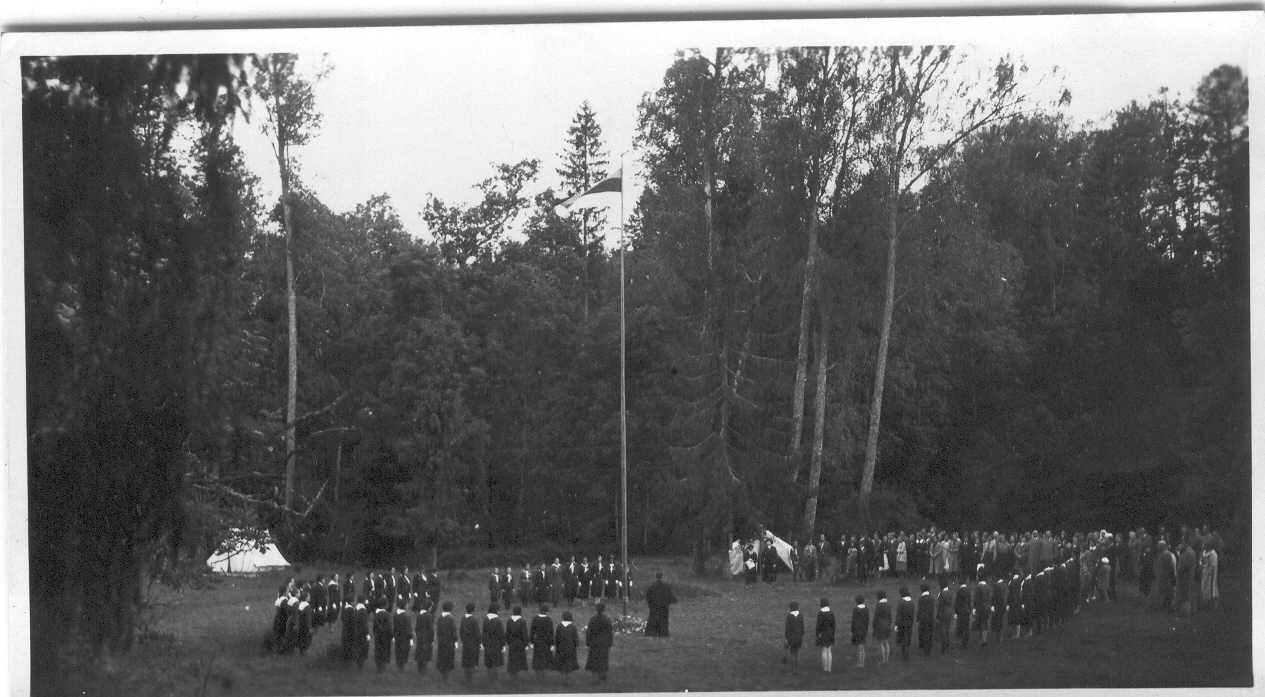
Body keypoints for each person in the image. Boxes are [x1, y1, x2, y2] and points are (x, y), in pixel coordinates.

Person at [585, 602, 614, 682]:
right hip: (604, 643)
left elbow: (589, 632)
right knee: (603, 659)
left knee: (594, 659)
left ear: (596, 609)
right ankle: (602, 674)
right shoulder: (607, 620)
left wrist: (588, 642)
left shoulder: (592, 619)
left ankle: (594, 677)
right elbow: (609, 632)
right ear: (604, 610)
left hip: (594, 642)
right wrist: (610, 643)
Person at [645, 572, 677, 637]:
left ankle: (652, 633)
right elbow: (670, 597)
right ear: (662, 577)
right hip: (664, 607)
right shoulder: (666, 586)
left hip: (654, 607)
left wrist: (650, 605)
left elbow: (648, 597)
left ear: (656, 577)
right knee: (663, 621)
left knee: (653, 621)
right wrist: (671, 601)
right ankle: (663, 633)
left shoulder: (652, 586)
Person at [554, 610, 580, 681]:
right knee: (569, 662)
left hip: (561, 647)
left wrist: (556, 645)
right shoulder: (573, 626)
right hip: (570, 647)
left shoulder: (559, 626)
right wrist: (576, 644)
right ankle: (568, 676)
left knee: (562, 661)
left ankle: (563, 676)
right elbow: (575, 637)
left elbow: (557, 637)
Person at [482, 603, 506, 681]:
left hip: (487, 643)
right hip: (496, 643)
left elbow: (484, 632)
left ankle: (489, 678)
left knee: (489, 661)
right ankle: (495, 679)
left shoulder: (485, 619)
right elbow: (501, 634)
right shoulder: (497, 620)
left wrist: (483, 642)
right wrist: (503, 644)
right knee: (495, 662)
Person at [531, 604, 555, 675]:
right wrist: (552, 643)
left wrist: (532, 641)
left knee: (537, 656)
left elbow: (532, 631)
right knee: (546, 656)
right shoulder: (549, 620)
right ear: (546, 611)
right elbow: (551, 633)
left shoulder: (535, 618)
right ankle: (544, 671)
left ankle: (537, 670)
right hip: (546, 641)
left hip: (538, 640)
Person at [460, 602, 481, 683]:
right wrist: (479, 642)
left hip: (465, 642)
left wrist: (463, 640)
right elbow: (477, 633)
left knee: (466, 659)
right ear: (473, 610)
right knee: (472, 660)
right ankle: (470, 679)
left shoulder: (463, 618)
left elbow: (461, 631)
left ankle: (467, 676)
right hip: (473, 643)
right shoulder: (474, 620)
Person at [436, 601, 457, 682]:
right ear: (450, 608)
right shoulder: (451, 618)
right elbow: (454, 631)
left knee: (442, 657)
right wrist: (455, 641)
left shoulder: (440, 617)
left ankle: (442, 674)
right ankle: (446, 678)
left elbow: (438, 630)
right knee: (448, 659)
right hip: (449, 642)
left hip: (441, 641)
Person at [506, 605, 529, 678]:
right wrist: (526, 643)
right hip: (520, 643)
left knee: (512, 658)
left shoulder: (509, 620)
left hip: (512, 642)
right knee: (519, 659)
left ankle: (512, 675)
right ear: (520, 612)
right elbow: (524, 633)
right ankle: (516, 675)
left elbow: (507, 633)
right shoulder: (522, 621)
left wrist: (508, 642)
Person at [815, 597, 835, 673]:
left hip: (823, 633)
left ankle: (825, 668)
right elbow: (834, 624)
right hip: (830, 632)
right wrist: (833, 633)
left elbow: (818, 625)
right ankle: (829, 668)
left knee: (823, 650)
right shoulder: (831, 612)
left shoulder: (820, 613)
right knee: (829, 650)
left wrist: (817, 634)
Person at [372, 598, 392, 672]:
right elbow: (389, 627)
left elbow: (374, 627)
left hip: (377, 636)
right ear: (385, 605)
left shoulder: (376, 614)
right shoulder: (387, 614)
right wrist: (391, 635)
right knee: (384, 651)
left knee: (378, 650)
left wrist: (376, 634)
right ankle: (382, 667)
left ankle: (378, 666)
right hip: (385, 637)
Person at [415, 599, 434, 674]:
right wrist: (431, 639)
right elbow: (431, 629)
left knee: (420, 652)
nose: (431, 607)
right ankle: (423, 671)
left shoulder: (419, 615)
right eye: (431, 606)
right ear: (429, 607)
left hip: (420, 637)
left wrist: (418, 635)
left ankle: (419, 670)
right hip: (427, 638)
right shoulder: (429, 616)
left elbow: (416, 628)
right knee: (425, 655)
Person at [785, 601, 804, 673]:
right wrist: (801, 635)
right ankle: (797, 669)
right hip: (799, 637)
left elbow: (787, 628)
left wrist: (786, 638)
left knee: (792, 653)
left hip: (791, 638)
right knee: (797, 653)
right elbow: (802, 627)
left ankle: (793, 670)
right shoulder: (801, 615)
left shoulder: (789, 616)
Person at [895, 587, 914, 660]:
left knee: (902, 638)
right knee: (907, 637)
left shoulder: (901, 602)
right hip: (909, 623)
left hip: (902, 623)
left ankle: (904, 653)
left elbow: (899, 614)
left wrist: (896, 624)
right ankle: (906, 652)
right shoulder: (911, 602)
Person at [973, 568, 991, 646]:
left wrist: (974, 608)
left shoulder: (978, 587)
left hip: (980, 608)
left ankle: (982, 640)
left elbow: (976, 599)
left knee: (981, 623)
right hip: (987, 607)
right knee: (985, 623)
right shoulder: (988, 587)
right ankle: (984, 639)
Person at [873, 590, 892, 664]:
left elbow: (876, 617)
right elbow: (890, 616)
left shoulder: (878, 605)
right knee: (886, 642)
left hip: (880, 625)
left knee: (881, 643)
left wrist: (874, 626)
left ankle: (883, 660)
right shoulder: (888, 605)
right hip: (887, 624)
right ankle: (887, 659)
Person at [1200, 541, 1220, 611]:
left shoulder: (1213, 553)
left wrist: (1209, 572)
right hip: (1204, 572)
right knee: (1204, 588)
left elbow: (1213, 565)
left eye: (1205, 545)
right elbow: (1201, 560)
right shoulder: (1204, 552)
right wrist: (1202, 565)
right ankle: (1206, 604)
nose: (1204, 546)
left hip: (1211, 574)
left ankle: (1213, 605)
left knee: (1212, 588)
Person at [915, 584, 934, 657]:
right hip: (930, 618)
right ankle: (928, 648)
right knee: (929, 633)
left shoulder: (921, 598)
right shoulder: (932, 598)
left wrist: (917, 619)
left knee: (923, 633)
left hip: (923, 619)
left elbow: (919, 609)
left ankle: (924, 648)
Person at [935, 583, 954, 654]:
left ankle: (944, 645)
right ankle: (948, 642)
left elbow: (940, 605)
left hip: (943, 612)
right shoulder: (950, 592)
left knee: (942, 629)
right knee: (947, 628)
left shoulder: (941, 593)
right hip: (949, 612)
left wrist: (938, 615)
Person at [954, 581, 972, 650]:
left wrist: (956, 611)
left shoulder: (959, 591)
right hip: (967, 611)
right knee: (966, 627)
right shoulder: (968, 591)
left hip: (960, 611)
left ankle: (960, 642)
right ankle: (965, 643)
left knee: (960, 626)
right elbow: (970, 601)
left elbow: (957, 602)